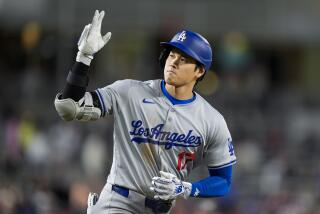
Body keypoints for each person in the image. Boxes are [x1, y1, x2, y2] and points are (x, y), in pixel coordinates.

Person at [54, 10, 236, 214]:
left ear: (200, 71)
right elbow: (69, 107)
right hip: (117, 202)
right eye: (172, 54)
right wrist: (84, 58)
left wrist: (187, 188)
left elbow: (223, 181)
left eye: (184, 58)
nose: (173, 62)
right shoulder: (130, 91)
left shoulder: (211, 119)